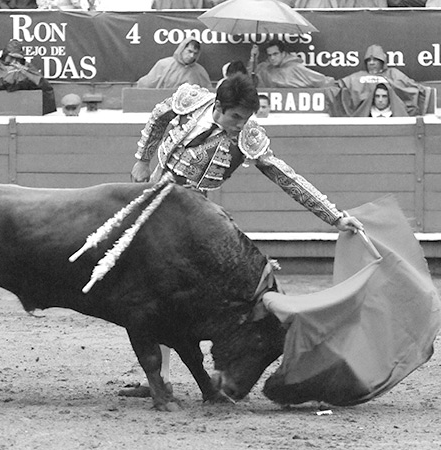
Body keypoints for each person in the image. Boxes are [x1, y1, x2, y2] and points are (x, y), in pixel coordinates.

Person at [123, 75, 364, 398]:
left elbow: (286, 177)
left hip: (192, 221)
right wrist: (142, 157)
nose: (241, 125)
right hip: (153, 202)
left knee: (174, 295)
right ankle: (162, 378)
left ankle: (231, 365)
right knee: (152, 292)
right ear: (218, 107)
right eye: (236, 117)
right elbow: (158, 117)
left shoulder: (248, 137)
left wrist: (335, 216)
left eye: (247, 118)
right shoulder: (191, 100)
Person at [326, 44, 433, 117]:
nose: (371, 63)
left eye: (375, 60)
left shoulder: (393, 74)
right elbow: (338, 87)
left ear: (383, 62)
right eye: (369, 60)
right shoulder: (358, 76)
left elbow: (412, 89)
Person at [0, 39, 56, 115]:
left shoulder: (26, 66)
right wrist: (8, 79)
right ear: (5, 55)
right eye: (11, 57)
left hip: (25, 108)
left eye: (17, 58)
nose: (14, 61)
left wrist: (22, 72)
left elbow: (43, 85)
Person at [254, 39, 335, 89]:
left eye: (275, 54)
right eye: (270, 55)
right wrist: (252, 58)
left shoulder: (295, 68)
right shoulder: (265, 69)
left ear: (283, 53)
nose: (272, 58)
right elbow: (252, 79)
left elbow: (323, 81)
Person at [136, 37, 211, 89]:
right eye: (189, 51)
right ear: (182, 49)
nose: (192, 56)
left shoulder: (200, 71)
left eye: (195, 53)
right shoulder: (164, 65)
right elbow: (146, 84)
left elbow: (208, 92)